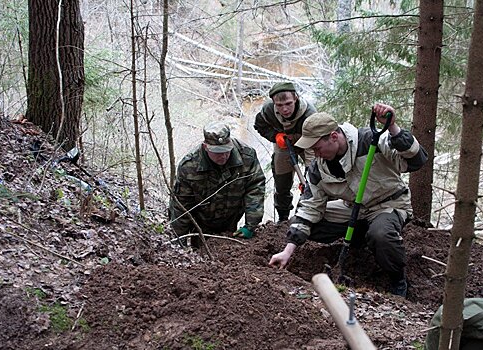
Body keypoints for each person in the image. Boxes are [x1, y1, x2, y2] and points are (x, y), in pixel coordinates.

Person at [268, 104, 428, 297]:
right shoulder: (319, 168)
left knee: (381, 235)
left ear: (334, 137)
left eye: (317, 147)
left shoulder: (371, 140)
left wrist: (392, 127)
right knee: (302, 224)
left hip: (388, 204)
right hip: (353, 209)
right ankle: (361, 238)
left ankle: (397, 279)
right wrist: (287, 251)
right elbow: (309, 208)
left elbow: (416, 159)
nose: (315, 154)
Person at [169, 121, 266, 246]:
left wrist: (251, 225)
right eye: (218, 152)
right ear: (205, 147)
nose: (224, 156)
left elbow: (255, 188)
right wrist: (178, 241)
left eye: (227, 150)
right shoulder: (190, 166)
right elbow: (181, 206)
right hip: (201, 224)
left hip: (232, 219)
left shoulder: (246, 155)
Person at [254, 81, 317, 223]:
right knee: (281, 181)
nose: (285, 109)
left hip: (309, 142)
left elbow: (315, 140)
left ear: (296, 98)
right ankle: (283, 218)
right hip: (284, 143)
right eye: (280, 105)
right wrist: (274, 136)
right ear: (274, 103)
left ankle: (305, 215)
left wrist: (309, 175)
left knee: (313, 178)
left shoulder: (310, 114)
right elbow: (259, 126)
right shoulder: (268, 110)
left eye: (288, 103)